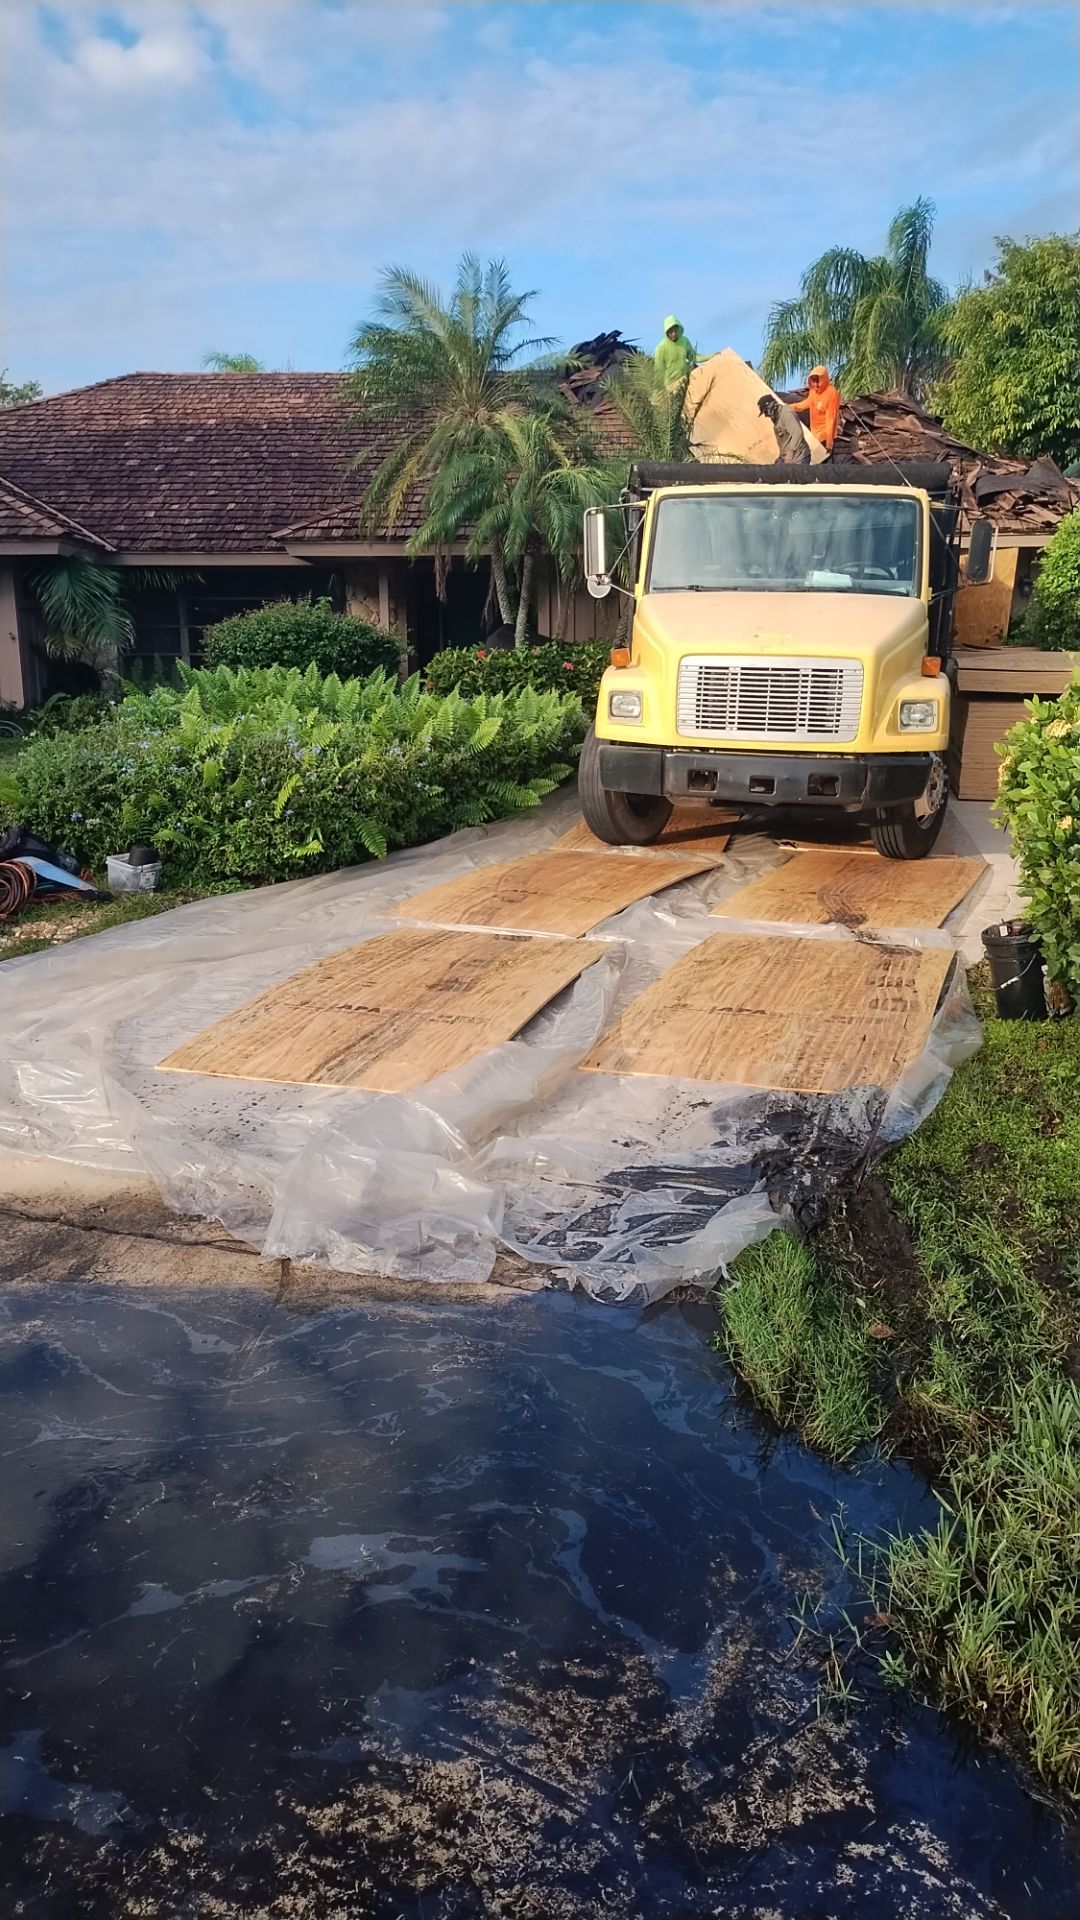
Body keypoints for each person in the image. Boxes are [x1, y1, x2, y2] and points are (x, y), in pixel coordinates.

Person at [790, 364, 840, 453]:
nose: (816, 384)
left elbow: (830, 419)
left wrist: (829, 443)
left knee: (825, 463)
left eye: (818, 381)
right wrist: (790, 407)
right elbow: (806, 404)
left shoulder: (831, 393)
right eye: (814, 381)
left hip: (826, 436)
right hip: (815, 434)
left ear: (824, 379)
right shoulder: (814, 392)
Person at [757, 393, 811, 465]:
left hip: (799, 457)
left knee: (793, 475)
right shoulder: (777, 418)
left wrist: (790, 452)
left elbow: (797, 433)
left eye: (766, 412)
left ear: (771, 407)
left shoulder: (786, 414)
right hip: (786, 457)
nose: (766, 415)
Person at [653, 315, 697, 386]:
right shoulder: (661, 348)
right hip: (670, 386)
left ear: (678, 329)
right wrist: (658, 390)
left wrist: (711, 356)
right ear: (666, 332)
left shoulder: (684, 341)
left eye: (675, 330)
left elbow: (693, 357)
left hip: (685, 382)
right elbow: (659, 372)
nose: (674, 334)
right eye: (670, 331)